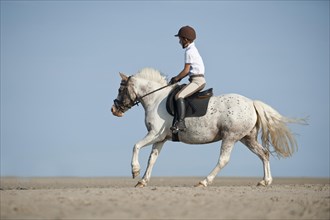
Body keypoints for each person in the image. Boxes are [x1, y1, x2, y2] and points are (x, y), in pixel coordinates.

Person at [170, 25, 206, 132]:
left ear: (185, 39)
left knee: (179, 96)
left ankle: (181, 122)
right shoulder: (192, 49)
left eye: (180, 39)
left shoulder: (189, 51)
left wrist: (176, 78)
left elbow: (186, 70)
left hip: (197, 81)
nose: (179, 41)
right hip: (195, 79)